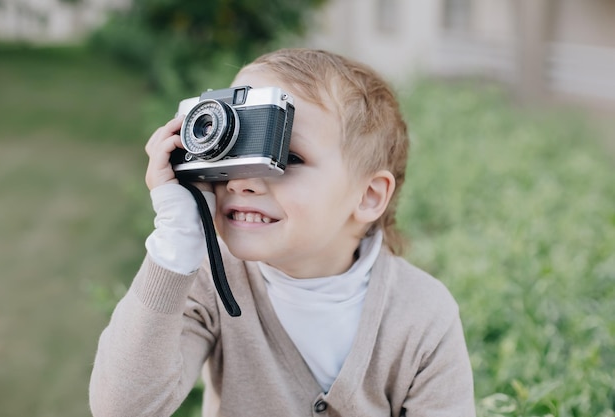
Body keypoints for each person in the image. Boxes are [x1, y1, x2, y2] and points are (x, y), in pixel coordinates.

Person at [89, 48, 475, 417]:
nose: (242, 181)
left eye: (286, 158)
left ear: (368, 196)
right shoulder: (210, 282)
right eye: (234, 151)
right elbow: (123, 408)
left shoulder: (422, 314)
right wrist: (177, 240)